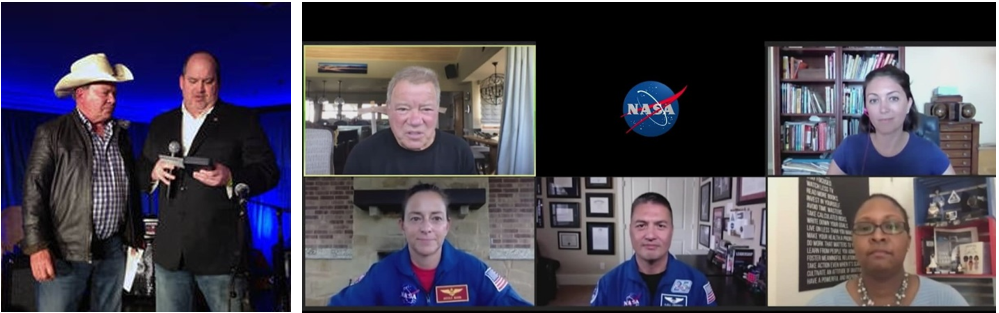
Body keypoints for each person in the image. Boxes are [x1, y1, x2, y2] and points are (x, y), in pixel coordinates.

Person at [140, 51, 280, 312]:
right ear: (181, 82)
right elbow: (141, 168)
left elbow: (269, 171)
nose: (199, 90)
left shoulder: (242, 121)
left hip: (221, 255)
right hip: (171, 254)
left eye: (207, 81)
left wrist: (231, 177)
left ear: (218, 83)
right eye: (193, 81)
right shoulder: (161, 123)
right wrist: (152, 172)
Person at [22, 53, 145, 311]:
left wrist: (136, 234)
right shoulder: (52, 134)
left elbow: (130, 188)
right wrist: (37, 247)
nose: (112, 99)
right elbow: (34, 192)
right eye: (105, 93)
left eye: (114, 93)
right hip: (65, 250)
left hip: (112, 248)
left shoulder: (122, 135)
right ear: (80, 95)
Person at [327, 183, 532, 306]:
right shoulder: (381, 273)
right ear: (403, 225)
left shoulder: (474, 271)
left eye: (435, 218)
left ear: (446, 226)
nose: (426, 228)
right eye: (416, 218)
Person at [807, 194, 968, 306]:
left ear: (908, 242)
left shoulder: (947, 299)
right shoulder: (822, 303)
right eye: (864, 227)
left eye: (891, 226)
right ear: (852, 241)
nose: (878, 236)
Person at [343, 66, 478, 175]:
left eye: (426, 109)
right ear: (388, 110)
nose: (415, 121)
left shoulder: (460, 151)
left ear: (437, 110)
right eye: (403, 109)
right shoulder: (362, 155)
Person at [591, 192, 717, 307]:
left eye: (661, 226)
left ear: (671, 231)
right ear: (630, 230)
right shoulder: (608, 284)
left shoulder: (698, 283)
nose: (650, 235)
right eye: (641, 225)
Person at [827, 65, 954, 175]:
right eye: (874, 100)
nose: (883, 109)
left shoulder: (930, 152)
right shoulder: (849, 148)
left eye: (893, 98)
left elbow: (956, 197)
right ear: (867, 109)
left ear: (908, 104)